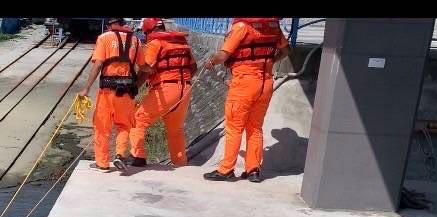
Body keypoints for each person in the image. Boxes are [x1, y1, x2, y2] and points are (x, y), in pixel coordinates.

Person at [202, 17, 290, 182]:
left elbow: (223, 55)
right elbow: (285, 51)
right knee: (255, 128)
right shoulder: (273, 25)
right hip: (266, 82)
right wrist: (269, 62)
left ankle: (226, 169)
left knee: (234, 127)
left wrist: (211, 62)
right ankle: (253, 169)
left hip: (245, 82)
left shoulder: (242, 27)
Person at [78, 17, 144, 172]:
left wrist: (86, 88)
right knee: (124, 125)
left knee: (102, 126)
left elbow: (99, 64)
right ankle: (120, 155)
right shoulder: (135, 40)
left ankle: (102, 163)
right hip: (127, 91)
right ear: (122, 23)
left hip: (108, 91)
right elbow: (145, 68)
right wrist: (137, 85)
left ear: (111, 25)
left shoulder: (104, 37)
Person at [128, 18, 196, 167]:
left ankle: (138, 156)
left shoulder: (155, 43)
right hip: (185, 89)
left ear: (149, 31)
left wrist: (134, 89)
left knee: (137, 119)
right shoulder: (182, 43)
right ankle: (180, 164)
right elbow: (194, 67)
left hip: (165, 89)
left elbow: (145, 70)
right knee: (175, 129)